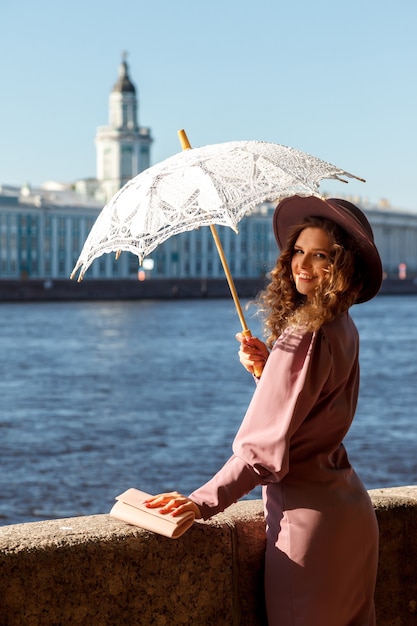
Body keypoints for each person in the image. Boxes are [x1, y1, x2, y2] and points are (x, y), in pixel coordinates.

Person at [144, 195, 383, 626]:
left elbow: (262, 448)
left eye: (321, 255)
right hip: (351, 518)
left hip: (307, 532)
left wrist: (199, 502)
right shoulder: (341, 325)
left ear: (343, 265)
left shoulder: (306, 332)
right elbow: (311, 409)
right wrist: (269, 367)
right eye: (298, 251)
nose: (302, 265)